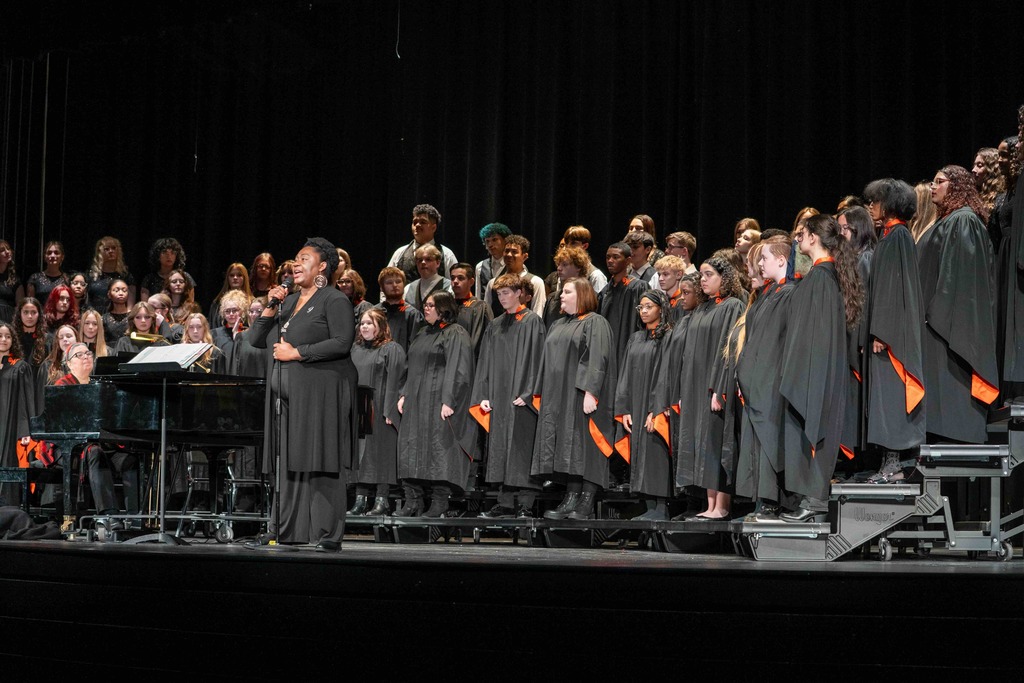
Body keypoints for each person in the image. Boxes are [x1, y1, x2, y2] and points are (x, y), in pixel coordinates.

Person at [250, 237, 358, 551]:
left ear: (323, 265)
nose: (297, 263)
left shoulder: (333, 299)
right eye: (295, 258)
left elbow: (342, 342)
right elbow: (256, 339)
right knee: (289, 462)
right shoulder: (287, 302)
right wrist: (271, 304)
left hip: (322, 394)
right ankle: (287, 529)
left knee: (321, 459)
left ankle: (326, 533)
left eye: (304, 258)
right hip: (288, 401)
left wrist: (298, 352)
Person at [778, 215, 863, 522]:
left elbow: (820, 337)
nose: (797, 240)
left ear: (814, 237)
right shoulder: (818, 276)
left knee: (817, 429)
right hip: (812, 369)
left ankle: (814, 500)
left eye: (801, 234)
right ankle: (809, 498)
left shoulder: (823, 279)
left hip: (818, 372)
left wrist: (807, 373)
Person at [917, 165, 999, 444]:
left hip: (945, 324)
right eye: (933, 181)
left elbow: (959, 279)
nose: (932, 187)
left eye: (939, 182)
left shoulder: (964, 221)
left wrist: (934, 314)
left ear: (956, 187)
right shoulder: (947, 220)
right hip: (932, 321)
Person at [533, 277, 617, 520]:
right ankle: (571, 495)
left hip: (581, 395)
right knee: (566, 445)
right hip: (559, 396)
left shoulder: (595, 322)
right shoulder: (558, 324)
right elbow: (546, 360)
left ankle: (587, 498)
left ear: (582, 295)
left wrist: (591, 391)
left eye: (567, 292)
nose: (561, 295)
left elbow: (597, 357)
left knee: (585, 444)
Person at [669, 254, 745, 519]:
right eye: (701, 275)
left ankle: (722, 506)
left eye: (708, 274)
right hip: (694, 387)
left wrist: (719, 388)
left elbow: (729, 349)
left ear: (724, 277)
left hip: (714, 387)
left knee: (716, 442)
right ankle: (709, 504)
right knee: (700, 442)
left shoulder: (733, 306)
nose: (703, 279)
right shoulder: (702, 308)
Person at [861, 179, 925, 483]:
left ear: (889, 205)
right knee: (885, 397)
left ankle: (894, 463)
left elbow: (893, 289)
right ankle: (889, 462)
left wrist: (882, 333)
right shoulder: (889, 235)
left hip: (891, 336)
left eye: (875, 202)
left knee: (892, 394)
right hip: (885, 332)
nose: (871, 207)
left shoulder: (898, 236)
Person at [394, 291, 476, 518]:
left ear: (443, 308)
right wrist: (403, 394)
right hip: (417, 402)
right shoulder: (422, 332)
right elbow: (410, 366)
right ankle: (413, 501)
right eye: (425, 305)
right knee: (411, 448)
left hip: (439, 400)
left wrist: (449, 400)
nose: (426, 308)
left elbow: (459, 369)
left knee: (438, 449)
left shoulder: (455, 333)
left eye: (431, 305)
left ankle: (439, 502)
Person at [472, 273, 546, 518]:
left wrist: (528, 393)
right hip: (498, 395)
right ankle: (503, 502)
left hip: (521, 397)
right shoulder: (495, 325)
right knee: (500, 447)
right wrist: (483, 393)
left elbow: (538, 360)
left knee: (521, 447)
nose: (502, 298)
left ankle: (525, 504)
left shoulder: (532, 321)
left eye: (506, 293)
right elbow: (484, 361)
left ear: (519, 293)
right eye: (499, 294)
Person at [734, 236, 796, 516]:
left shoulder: (790, 293)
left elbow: (778, 343)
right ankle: (761, 500)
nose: (760, 264)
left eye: (764, 258)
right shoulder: (768, 294)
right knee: (756, 442)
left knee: (771, 441)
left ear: (781, 260)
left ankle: (772, 502)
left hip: (771, 382)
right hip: (756, 381)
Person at [56, 342, 141, 531]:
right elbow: (62, 423)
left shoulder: (101, 385)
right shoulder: (63, 386)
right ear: (69, 364)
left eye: (88, 353)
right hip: (71, 447)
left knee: (129, 459)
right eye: (79, 355)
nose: (86, 356)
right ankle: (108, 515)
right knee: (94, 452)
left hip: (103, 443)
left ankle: (135, 517)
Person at [615, 289, 673, 520]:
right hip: (636, 405)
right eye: (641, 307)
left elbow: (665, 375)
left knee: (655, 452)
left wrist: (655, 409)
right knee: (640, 453)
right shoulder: (636, 338)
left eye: (649, 306)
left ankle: (660, 509)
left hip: (653, 405)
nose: (644, 311)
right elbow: (625, 375)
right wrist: (625, 409)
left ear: (662, 308)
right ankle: (649, 507)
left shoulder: (667, 337)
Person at [348, 308, 407, 517]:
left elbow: (397, 380)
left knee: (381, 454)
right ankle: (360, 500)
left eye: (369, 323)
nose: (364, 327)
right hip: (359, 408)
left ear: (380, 327)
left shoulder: (392, 349)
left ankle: (382, 500)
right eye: (362, 323)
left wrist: (390, 409)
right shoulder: (354, 349)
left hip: (382, 407)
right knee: (360, 454)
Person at [0, 323, 35, 507]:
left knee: (9, 461)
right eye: (0, 336)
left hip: (11, 426)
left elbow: (26, 400)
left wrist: (25, 430)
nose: (4, 340)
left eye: (8, 336)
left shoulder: (19, 366)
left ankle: (8, 509)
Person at [599, 241, 650, 361]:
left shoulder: (639, 287)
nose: (610, 260)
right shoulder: (604, 291)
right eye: (608, 257)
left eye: (616, 257)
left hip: (630, 349)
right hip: (607, 350)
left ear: (628, 260)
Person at [386, 204, 458, 284]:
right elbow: (386, 281)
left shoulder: (447, 255)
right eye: (415, 222)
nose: (417, 225)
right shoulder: (399, 253)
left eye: (423, 222)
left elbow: (455, 285)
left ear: (434, 227)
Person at [484, 235, 546, 317]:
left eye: (514, 252)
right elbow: (487, 315)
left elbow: (538, 314)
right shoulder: (492, 283)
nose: (509, 255)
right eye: (506, 251)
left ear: (524, 256)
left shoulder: (535, 282)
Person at [376, 267, 423, 352]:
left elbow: (415, 347)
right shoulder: (375, 312)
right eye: (389, 282)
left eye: (398, 281)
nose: (394, 285)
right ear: (382, 288)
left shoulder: (412, 314)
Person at [450, 262, 492, 357]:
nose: (455, 281)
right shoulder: (446, 306)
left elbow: (481, 342)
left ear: (471, 282)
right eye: (452, 278)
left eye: (460, 278)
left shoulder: (480, 307)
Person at [545, 245, 591, 328]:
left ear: (578, 267)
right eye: (558, 264)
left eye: (565, 265)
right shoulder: (552, 299)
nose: (559, 268)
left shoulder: (590, 298)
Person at [86, 236, 135, 313]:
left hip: (119, 318)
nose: (111, 251)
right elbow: (86, 300)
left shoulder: (126, 276)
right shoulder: (91, 275)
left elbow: (130, 305)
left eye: (113, 248)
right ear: (100, 252)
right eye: (106, 249)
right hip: (94, 318)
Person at [403, 244, 453, 310]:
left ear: (438, 263)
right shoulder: (408, 289)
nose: (423, 262)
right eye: (420, 260)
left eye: (428, 259)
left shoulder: (450, 287)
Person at [562, 225, 609, 293]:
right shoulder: (565, 271)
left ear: (585, 246)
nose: (568, 247)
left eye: (573, 243)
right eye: (566, 244)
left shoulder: (596, 276)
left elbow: (599, 302)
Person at [207, 262, 251, 329]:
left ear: (245, 278)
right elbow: (213, 326)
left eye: (239, 275)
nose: (235, 278)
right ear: (227, 278)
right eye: (232, 275)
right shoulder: (217, 303)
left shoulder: (252, 302)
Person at [475, 222, 512, 300]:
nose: (490, 244)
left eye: (494, 239)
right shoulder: (480, 266)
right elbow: (478, 295)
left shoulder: (514, 265)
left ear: (505, 241)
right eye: (487, 241)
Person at [13, 298, 48, 368]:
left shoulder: (47, 339)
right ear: (20, 314)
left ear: (39, 314)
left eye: (33, 312)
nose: (29, 316)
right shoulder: (12, 337)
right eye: (25, 312)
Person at [654, 255, 688, 323]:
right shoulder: (662, 302)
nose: (660, 279)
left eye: (665, 274)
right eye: (659, 275)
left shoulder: (684, 302)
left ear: (678, 275)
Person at [0, 240, 25, 324]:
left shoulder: (15, 280)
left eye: (8, 249)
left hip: (8, 321)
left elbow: (20, 306)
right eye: (2, 250)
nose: (7, 252)